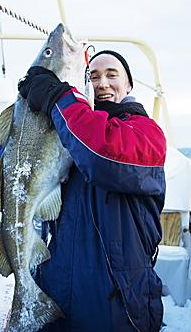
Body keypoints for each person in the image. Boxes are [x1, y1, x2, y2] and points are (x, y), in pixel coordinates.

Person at [18, 50, 166, 332]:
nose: (102, 83)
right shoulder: (70, 137)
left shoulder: (147, 133)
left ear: (129, 86)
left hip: (118, 303)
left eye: (112, 75)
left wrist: (57, 98)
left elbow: (102, 154)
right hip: (58, 292)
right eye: (93, 76)